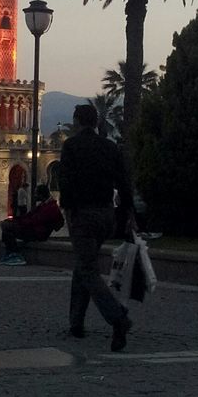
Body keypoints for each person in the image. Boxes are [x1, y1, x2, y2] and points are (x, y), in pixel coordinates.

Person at [59, 102, 134, 351]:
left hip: (83, 215)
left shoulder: (71, 147)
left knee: (88, 268)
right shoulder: (109, 147)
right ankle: (76, 322)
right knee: (84, 264)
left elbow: (66, 183)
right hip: (106, 215)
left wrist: (68, 210)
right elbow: (124, 182)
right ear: (96, 122)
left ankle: (117, 318)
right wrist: (124, 215)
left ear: (78, 122)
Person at [0, 184, 64, 265]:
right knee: (6, 225)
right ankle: (10, 253)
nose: (34, 195)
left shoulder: (50, 207)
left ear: (41, 194)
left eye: (36, 193)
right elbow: (29, 216)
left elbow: (34, 220)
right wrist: (15, 221)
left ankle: (14, 254)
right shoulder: (44, 205)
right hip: (34, 229)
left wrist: (18, 223)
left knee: (7, 227)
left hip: (38, 232)